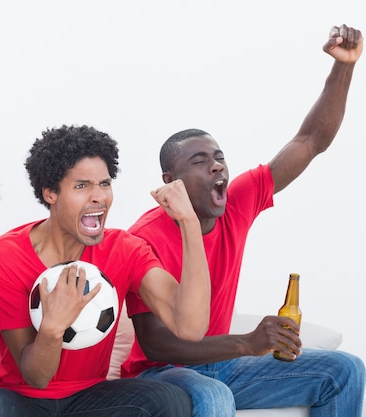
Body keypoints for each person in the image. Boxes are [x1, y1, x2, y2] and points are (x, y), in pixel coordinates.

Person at [121, 24, 365, 417]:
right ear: (171, 181)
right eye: (200, 162)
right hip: (164, 374)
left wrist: (344, 68)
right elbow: (156, 345)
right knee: (215, 397)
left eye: (219, 157)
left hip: (227, 367)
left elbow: (309, 141)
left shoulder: (237, 202)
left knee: (345, 370)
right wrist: (246, 343)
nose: (217, 166)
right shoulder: (144, 239)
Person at [0, 124, 211, 417]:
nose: (99, 197)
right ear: (50, 193)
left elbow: (191, 328)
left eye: (105, 184)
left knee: (172, 400)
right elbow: (36, 377)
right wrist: (53, 327)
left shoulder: (125, 249)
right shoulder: (5, 257)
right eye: (82, 186)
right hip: (17, 398)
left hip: (91, 396)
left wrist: (189, 223)